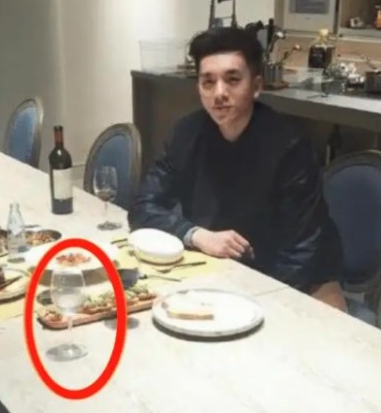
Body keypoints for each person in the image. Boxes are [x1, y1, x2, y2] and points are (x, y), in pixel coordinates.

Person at [128, 27, 346, 311]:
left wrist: (243, 300)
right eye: (208, 82)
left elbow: (301, 254)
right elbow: (143, 206)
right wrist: (195, 234)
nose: (219, 93)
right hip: (222, 269)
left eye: (232, 80)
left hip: (302, 282)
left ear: (256, 86)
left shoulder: (289, 145)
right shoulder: (186, 134)